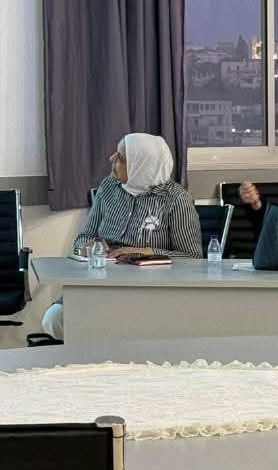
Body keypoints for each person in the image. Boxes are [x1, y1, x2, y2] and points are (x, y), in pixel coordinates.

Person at [41, 133, 202, 338]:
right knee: (54, 318)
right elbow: (84, 236)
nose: (111, 159)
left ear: (142, 166)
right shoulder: (108, 187)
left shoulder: (177, 198)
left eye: (121, 158)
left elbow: (192, 257)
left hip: (148, 290)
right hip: (99, 282)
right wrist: (87, 246)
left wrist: (142, 252)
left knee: (118, 329)